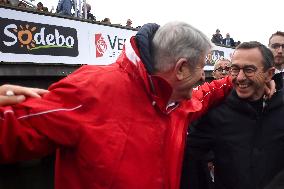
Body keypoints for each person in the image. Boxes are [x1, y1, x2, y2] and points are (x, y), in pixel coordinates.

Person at [0, 22, 274, 189]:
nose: (204, 75)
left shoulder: (179, 101)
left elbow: (206, 93)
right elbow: (12, 132)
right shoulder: (91, 89)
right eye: (203, 67)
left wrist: (246, 80)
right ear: (180, 68)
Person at [181, 41, 284, 189]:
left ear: (269, 74)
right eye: (234, 69)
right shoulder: (216, 115)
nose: (240, 77)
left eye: (249, 69)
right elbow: (188, 157)